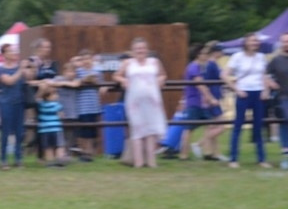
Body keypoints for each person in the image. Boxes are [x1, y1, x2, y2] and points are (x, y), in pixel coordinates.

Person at [113, 38, 167, 168]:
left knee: (151, 130)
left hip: (152, 100)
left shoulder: (154, 62)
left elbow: (163, 75)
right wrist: (123, 80)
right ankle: (138, 162)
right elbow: (116, 75)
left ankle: (151, 161)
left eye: (142, 48)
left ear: (147, 50)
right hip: (135, 101)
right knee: (137, 130)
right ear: (133, 50)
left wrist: (160, 80)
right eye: (137, 49)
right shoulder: (128, 63)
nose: (140, 51)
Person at [224, 33, 271, 169]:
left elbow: (264, 75)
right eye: (251, 40)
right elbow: (225, 75)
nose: (254, 43)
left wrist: (266, 90)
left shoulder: (261, 57)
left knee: (258, 126)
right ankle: (233, 158)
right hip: (244, 93)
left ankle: (261, 158)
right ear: (245, 42)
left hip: (258, 93)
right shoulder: (237, 57)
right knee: (238, 126)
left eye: (256, 41)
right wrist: (236, 90)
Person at [180, 43, 220, 161]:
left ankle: (209, 153)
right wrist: (211, 98)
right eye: (204, 53)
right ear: (198, 55)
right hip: (194, 102)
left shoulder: (200, 67)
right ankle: (184, 155)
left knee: (211, 125)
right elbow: (200, 85)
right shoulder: (193, 67)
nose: (206, 56)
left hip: (202, 103)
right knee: (189, 129)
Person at [0, 43, 26, 169]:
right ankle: (3, 160)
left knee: (19, 132)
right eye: (10, 51)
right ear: (3, 54)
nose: (13, 53)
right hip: (6, 103)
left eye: (14, 51)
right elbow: (9, 81)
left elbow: (27, 79)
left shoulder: (19, 68)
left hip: (19, 102)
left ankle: (18, 158)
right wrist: (21, 70)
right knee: (5, 132)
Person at [74, 49, 103, 161]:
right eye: (84, 59)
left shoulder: (97, 71)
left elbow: (100, 84)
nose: (86, 61)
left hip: (94, 105)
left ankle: (91, 153)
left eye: (88, 58)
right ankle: (84, 152)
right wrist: (85, 79)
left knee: (93, 131)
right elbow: (76, 82)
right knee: (83, 131)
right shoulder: (78, 71)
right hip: (82, 106)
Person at [266, 33, 288, 170]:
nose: (286, 44)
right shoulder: (276, 60)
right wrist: (270, 82)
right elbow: (265, 74)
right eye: (284, 42)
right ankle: (285, 153)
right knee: (285, 122)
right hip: (283, 96)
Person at [36, 82, 68, 167]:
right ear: (48, 96)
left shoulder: (41, 105)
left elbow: (37, 98)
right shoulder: (57, 105)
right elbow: (61, 115)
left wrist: (40, 89)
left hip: (44, 129)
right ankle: (60, 160)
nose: (57, 96)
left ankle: (50, 163)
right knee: (59, 145)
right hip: (56, 128)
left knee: (48, 147)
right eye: (54, 94)